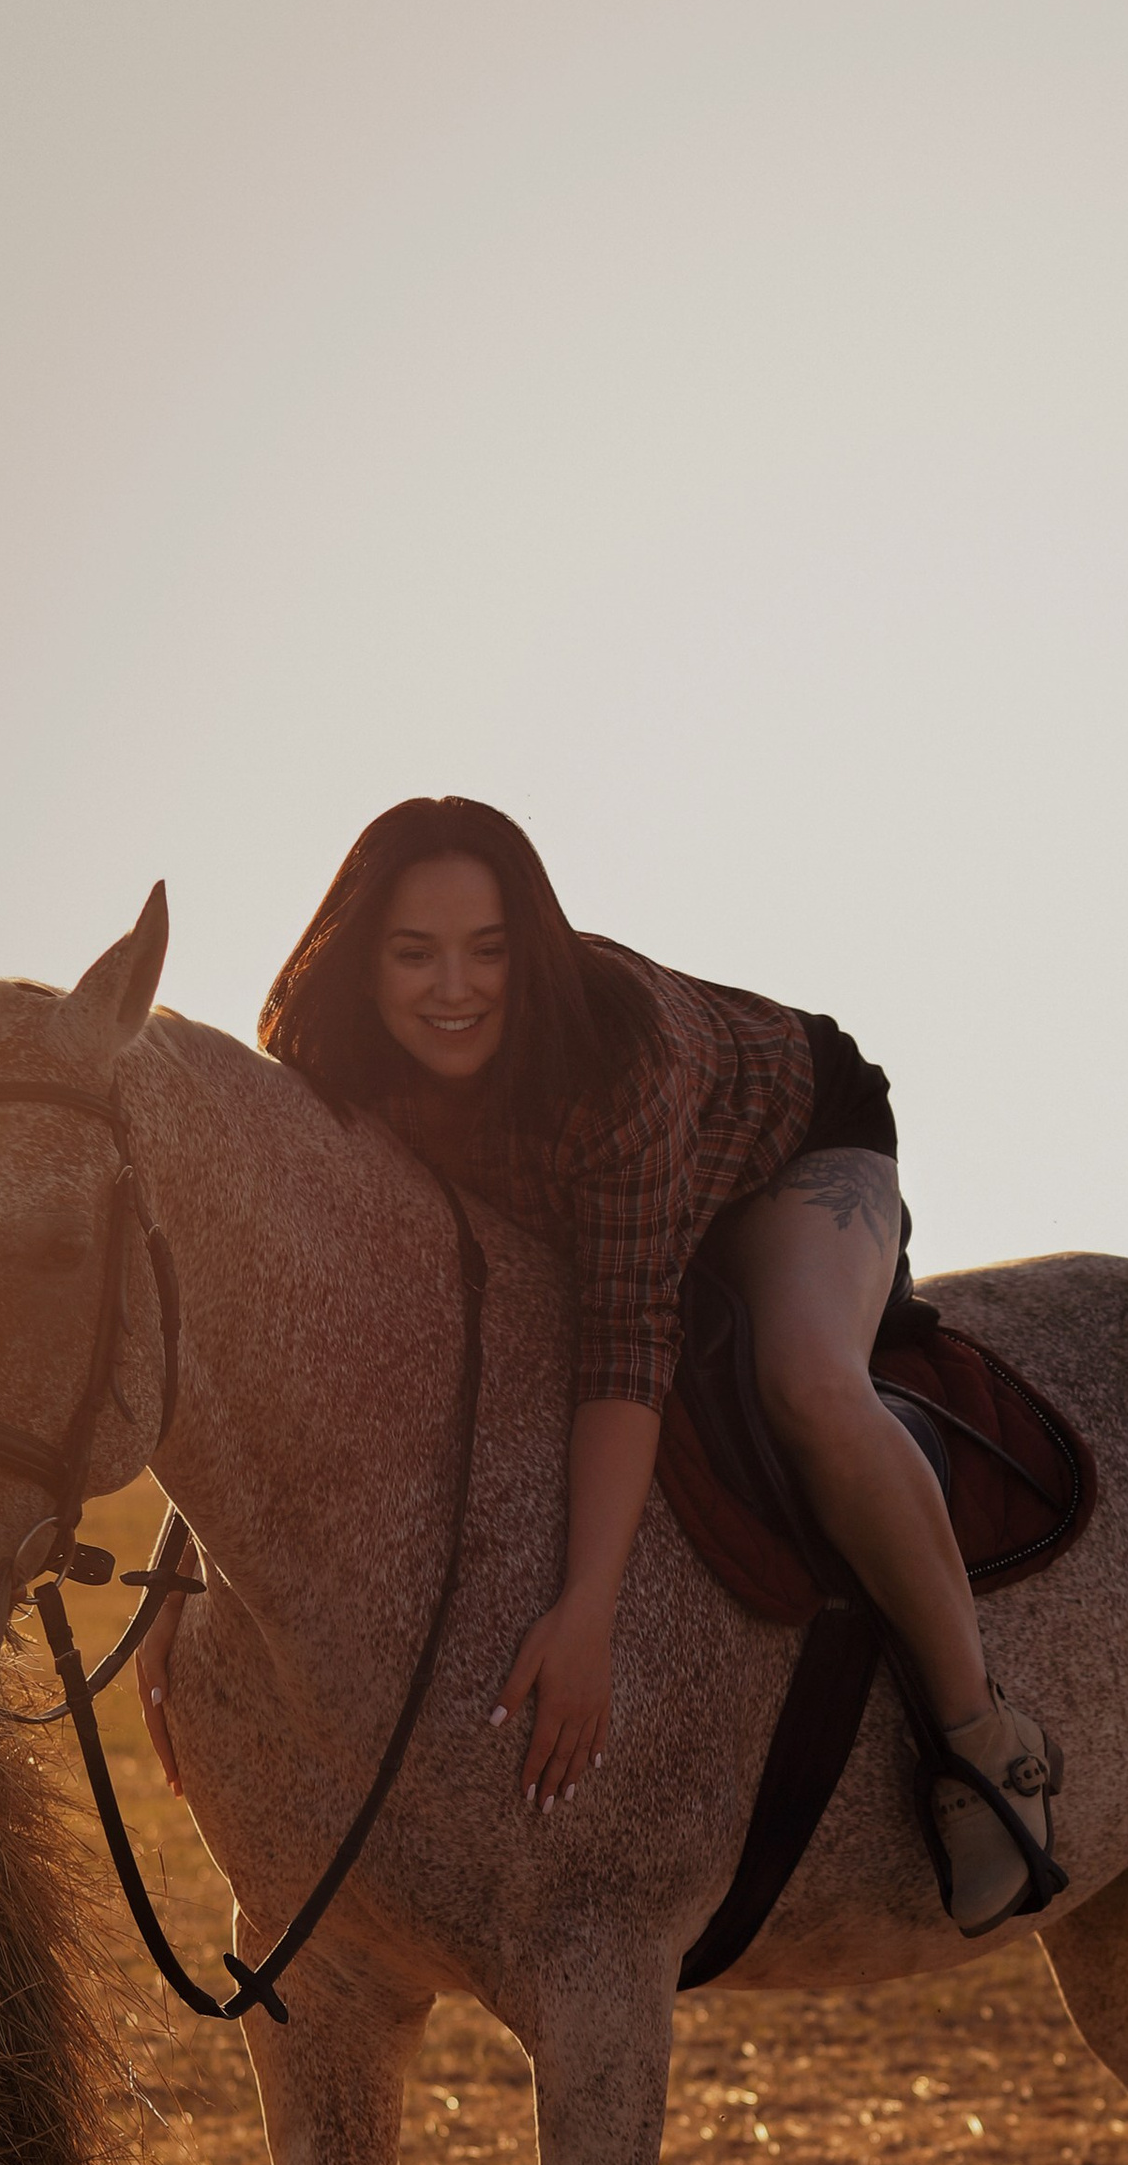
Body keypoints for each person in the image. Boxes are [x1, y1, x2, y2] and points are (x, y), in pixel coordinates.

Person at [134, 796, 1059, 1933]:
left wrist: (586, 1614)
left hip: (783, 1152)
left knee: (808, 1385)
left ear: (533, 946)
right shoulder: (321, 1063)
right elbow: (277, 1355)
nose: (454, 988)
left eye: (489, 952)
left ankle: (982, 1742)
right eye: (413, 955)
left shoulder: (612, 1057)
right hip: (578, 1208)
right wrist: (178, 1579)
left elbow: (627, 1337)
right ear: (356, 959)